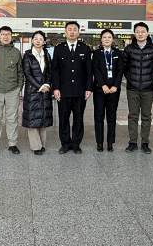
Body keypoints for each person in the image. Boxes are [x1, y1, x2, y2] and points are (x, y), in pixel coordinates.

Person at [52, 21, 92, 154]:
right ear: (65, 32)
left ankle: (76, 143)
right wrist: (56, 88)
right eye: (69, 29)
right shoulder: (59, 49)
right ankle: (65, 144)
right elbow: (55, 71)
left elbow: (89, 71)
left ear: (78, 32)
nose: (72, 32)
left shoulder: (85, 48)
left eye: (75, 29)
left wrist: (88, 88)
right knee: (63, 118)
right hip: (63, 91)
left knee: (78, 119)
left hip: (80, 91)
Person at [122, 22, 153, 154]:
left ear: (147, 33)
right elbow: (124, 67)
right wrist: (131, 78)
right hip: (132, 88)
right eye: (137, 31)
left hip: (148, 88)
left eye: (142, 31)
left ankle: (145, 142)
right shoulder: (129, 49)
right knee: (133, 115)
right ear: (134, 33)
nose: (140, 34)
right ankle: (132, 142)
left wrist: (149, 79)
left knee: (146, 116)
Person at [0, 26, 24, 156]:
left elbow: (20, 71)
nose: (6, 37)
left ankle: (12, 144)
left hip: (12, 90)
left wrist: (19, 87)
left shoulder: (16, 52)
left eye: (8, 34)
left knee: (12, 118)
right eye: (3, 34)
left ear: (11, 36)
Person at [91, 29, 124, 152]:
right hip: (100, 90)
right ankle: (99, 142)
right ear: (101, 39)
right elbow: (95, 70)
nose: (107, 39)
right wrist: (103, 85)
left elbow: (120, 70)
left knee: (111, 116)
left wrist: (115, 85)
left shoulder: (118, 53)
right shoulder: (97, 53)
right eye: (104, 37)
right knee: (99, 116)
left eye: (109, 37)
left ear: (112, 39)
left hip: (114, 90)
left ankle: (110, 142)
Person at [22, 31, 53, 155]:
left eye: (41, 39)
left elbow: (50, 71)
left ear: (44, 41)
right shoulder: (27, 55)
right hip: (32, 91)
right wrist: (40, 86)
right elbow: (27, 74)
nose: (38, 41)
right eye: (36, 38)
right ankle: (36, 146)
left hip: (45, 90)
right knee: (32, 118)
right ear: (32, 41)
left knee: (43, 118)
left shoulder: (47, 55)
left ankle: (42, 144)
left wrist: (47, 85)